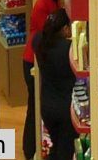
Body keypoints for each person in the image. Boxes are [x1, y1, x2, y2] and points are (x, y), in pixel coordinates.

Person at [20, 0, 67, 160]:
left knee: (36, 107)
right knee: (34, 107)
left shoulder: (52, 4)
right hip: (34, 63)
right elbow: (45, 38)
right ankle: (30, 150)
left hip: (38, 61)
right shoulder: (43, 7)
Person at [32, 9, 79, 160]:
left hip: (47, 105)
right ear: (65, 29)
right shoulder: (69, 49)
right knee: (65, 151)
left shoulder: (38, 41)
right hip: (66, 108)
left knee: (56, 146)